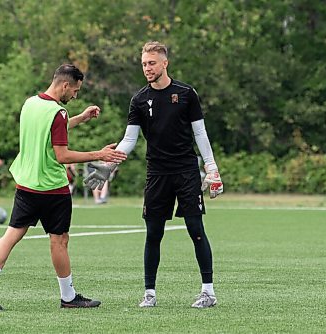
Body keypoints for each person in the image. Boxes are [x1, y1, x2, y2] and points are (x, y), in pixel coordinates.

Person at [84, 41, 224, 308]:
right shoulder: (138, 100)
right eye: (144, 64)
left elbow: (200, 134)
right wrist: (108, 165)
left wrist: (212, 168)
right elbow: (129, 140)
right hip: (157, 173)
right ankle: (150, 293)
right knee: (153, 233)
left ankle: (208, 292)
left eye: (151, 63)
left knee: (195, 229)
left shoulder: (186, 93)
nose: (147, 68)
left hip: (186, 171)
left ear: (164, 63)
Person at [0, 64, 127, 311]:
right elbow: (62, 155)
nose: (75, 96)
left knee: (12, 233)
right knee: (59, 241)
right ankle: (68, 297)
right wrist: (99, 154)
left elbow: (50, 131)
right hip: (52, 188)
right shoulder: (58, 112)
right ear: (65, 85)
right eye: (75, 91)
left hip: (26, 183)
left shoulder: (30, 104)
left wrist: (82, 117)